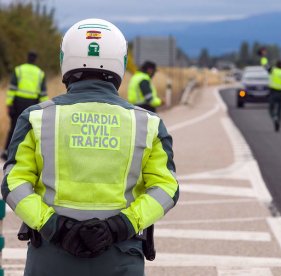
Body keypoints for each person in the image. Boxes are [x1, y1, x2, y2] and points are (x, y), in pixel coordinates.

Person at [1, 18, 179, 276]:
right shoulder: (148, 123)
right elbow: (166, 188)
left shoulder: (36, 117)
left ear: (66, 59)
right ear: (120, 60)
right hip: (120, 256)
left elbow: (13, 183)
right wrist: (119, 226)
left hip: (50, 255)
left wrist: (55, 227)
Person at [1, 51, 48, 160]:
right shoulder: (40, 73)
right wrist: (44, 109)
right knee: (30, 129)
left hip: (18, 103)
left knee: (13, 128)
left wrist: (9, 104)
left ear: (27, 58)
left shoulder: (19, 70)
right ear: (35, 60)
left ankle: (7, 152)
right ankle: (26, 155)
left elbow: (12, 89)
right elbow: (43, 94)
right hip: (33, 104)